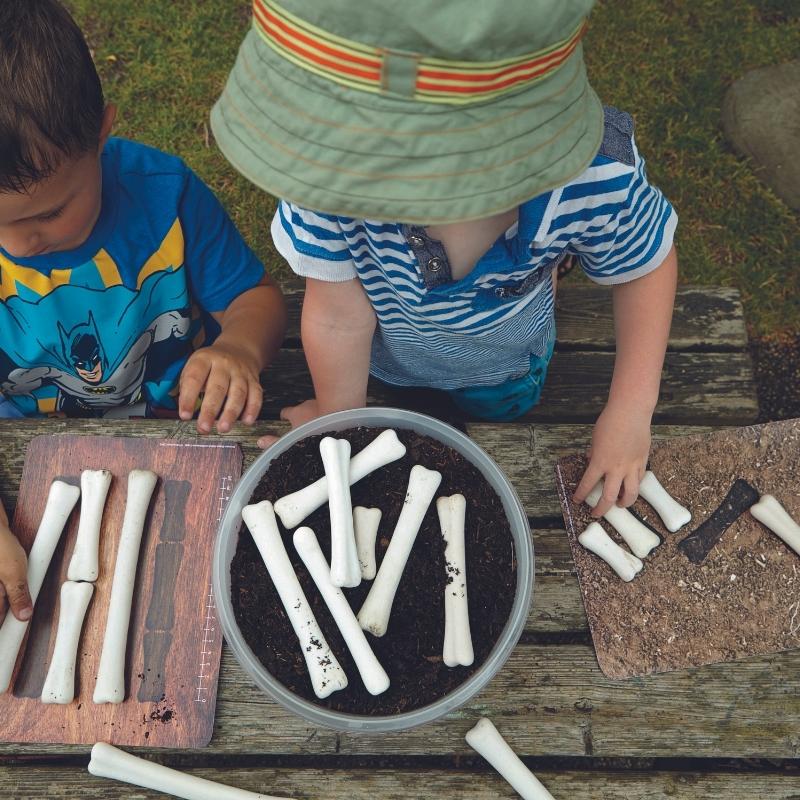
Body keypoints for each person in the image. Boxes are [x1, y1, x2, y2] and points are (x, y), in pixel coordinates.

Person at [213, 0, 678, 520]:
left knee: (498, 432)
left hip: (504, 371)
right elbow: (339, 315)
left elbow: (645, 267)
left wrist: (631, 411)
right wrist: (341, 419)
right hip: (384, 364)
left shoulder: (593, 178)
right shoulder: (324, 183)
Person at [0, 0, 287, 623]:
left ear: (102, 133)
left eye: (47, 214)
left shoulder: (166, 195)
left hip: (183, 430)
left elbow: (254, 299)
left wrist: (239, 347)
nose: (19, 245)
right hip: (27, 456)